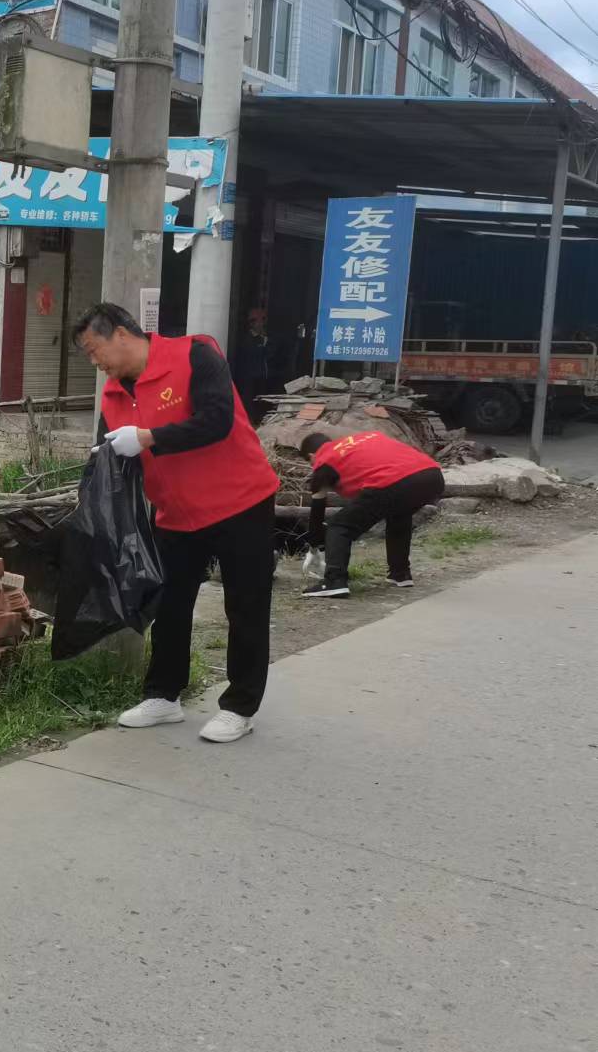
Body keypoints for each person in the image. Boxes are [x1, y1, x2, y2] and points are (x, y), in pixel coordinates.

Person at [73, 302, 281, 744]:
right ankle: (164, 696)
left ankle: (239, 706)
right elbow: (108, 455)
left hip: (240, 502)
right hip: (176, 513)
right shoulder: (112, 396)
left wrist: (149, 438)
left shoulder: (195, 357)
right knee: (169, 604)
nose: (95, 363)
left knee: (245, 606)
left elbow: (217, 421)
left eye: (95, 351)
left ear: (122, 335)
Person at [298, 430, 445, 598]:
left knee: (339, 526)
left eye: (310, 462)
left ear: (312, 455)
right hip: (432, 476)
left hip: (393, 481)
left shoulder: (325, 461)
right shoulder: (365, 438)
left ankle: (334, 581)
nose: (313, 467)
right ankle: (400, 574)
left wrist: (313, 547)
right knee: (399, 514)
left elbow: (317, 513)